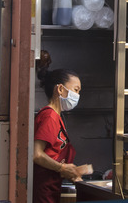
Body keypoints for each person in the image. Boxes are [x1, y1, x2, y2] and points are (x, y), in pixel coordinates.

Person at [33, 58, 89, 203]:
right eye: (75, 90)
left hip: (51, 188)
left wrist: (70, 171)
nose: (77, 96)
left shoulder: (57, 117)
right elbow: (37, 154)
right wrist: (62, 168)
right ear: (59, 89)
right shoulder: (49, 116)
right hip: (43, 190)